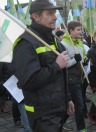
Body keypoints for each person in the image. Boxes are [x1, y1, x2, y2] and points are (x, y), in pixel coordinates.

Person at [12, 0, 75, 131]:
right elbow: (29, 80)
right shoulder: (25, 43)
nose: (55, 17)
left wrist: (67, 98)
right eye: (50, 13)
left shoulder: (54, 40)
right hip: (42, 114)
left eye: (55, 13)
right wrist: (56, 65)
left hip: (57, 109)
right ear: (36, 17)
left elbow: (61, 75)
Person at [61, 21, 88, 132]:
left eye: (80, 29)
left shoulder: (78, 42)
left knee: (75, 105)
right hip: (71, 80)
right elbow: (64, 64)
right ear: (70, 31)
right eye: (78, 29)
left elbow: (81, 58)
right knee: (79, 105)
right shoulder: (64, 44)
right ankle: (81, 128)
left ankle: (61, 121)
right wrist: (75, 60)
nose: (80, 32)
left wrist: (84, 61)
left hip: (79, 78)